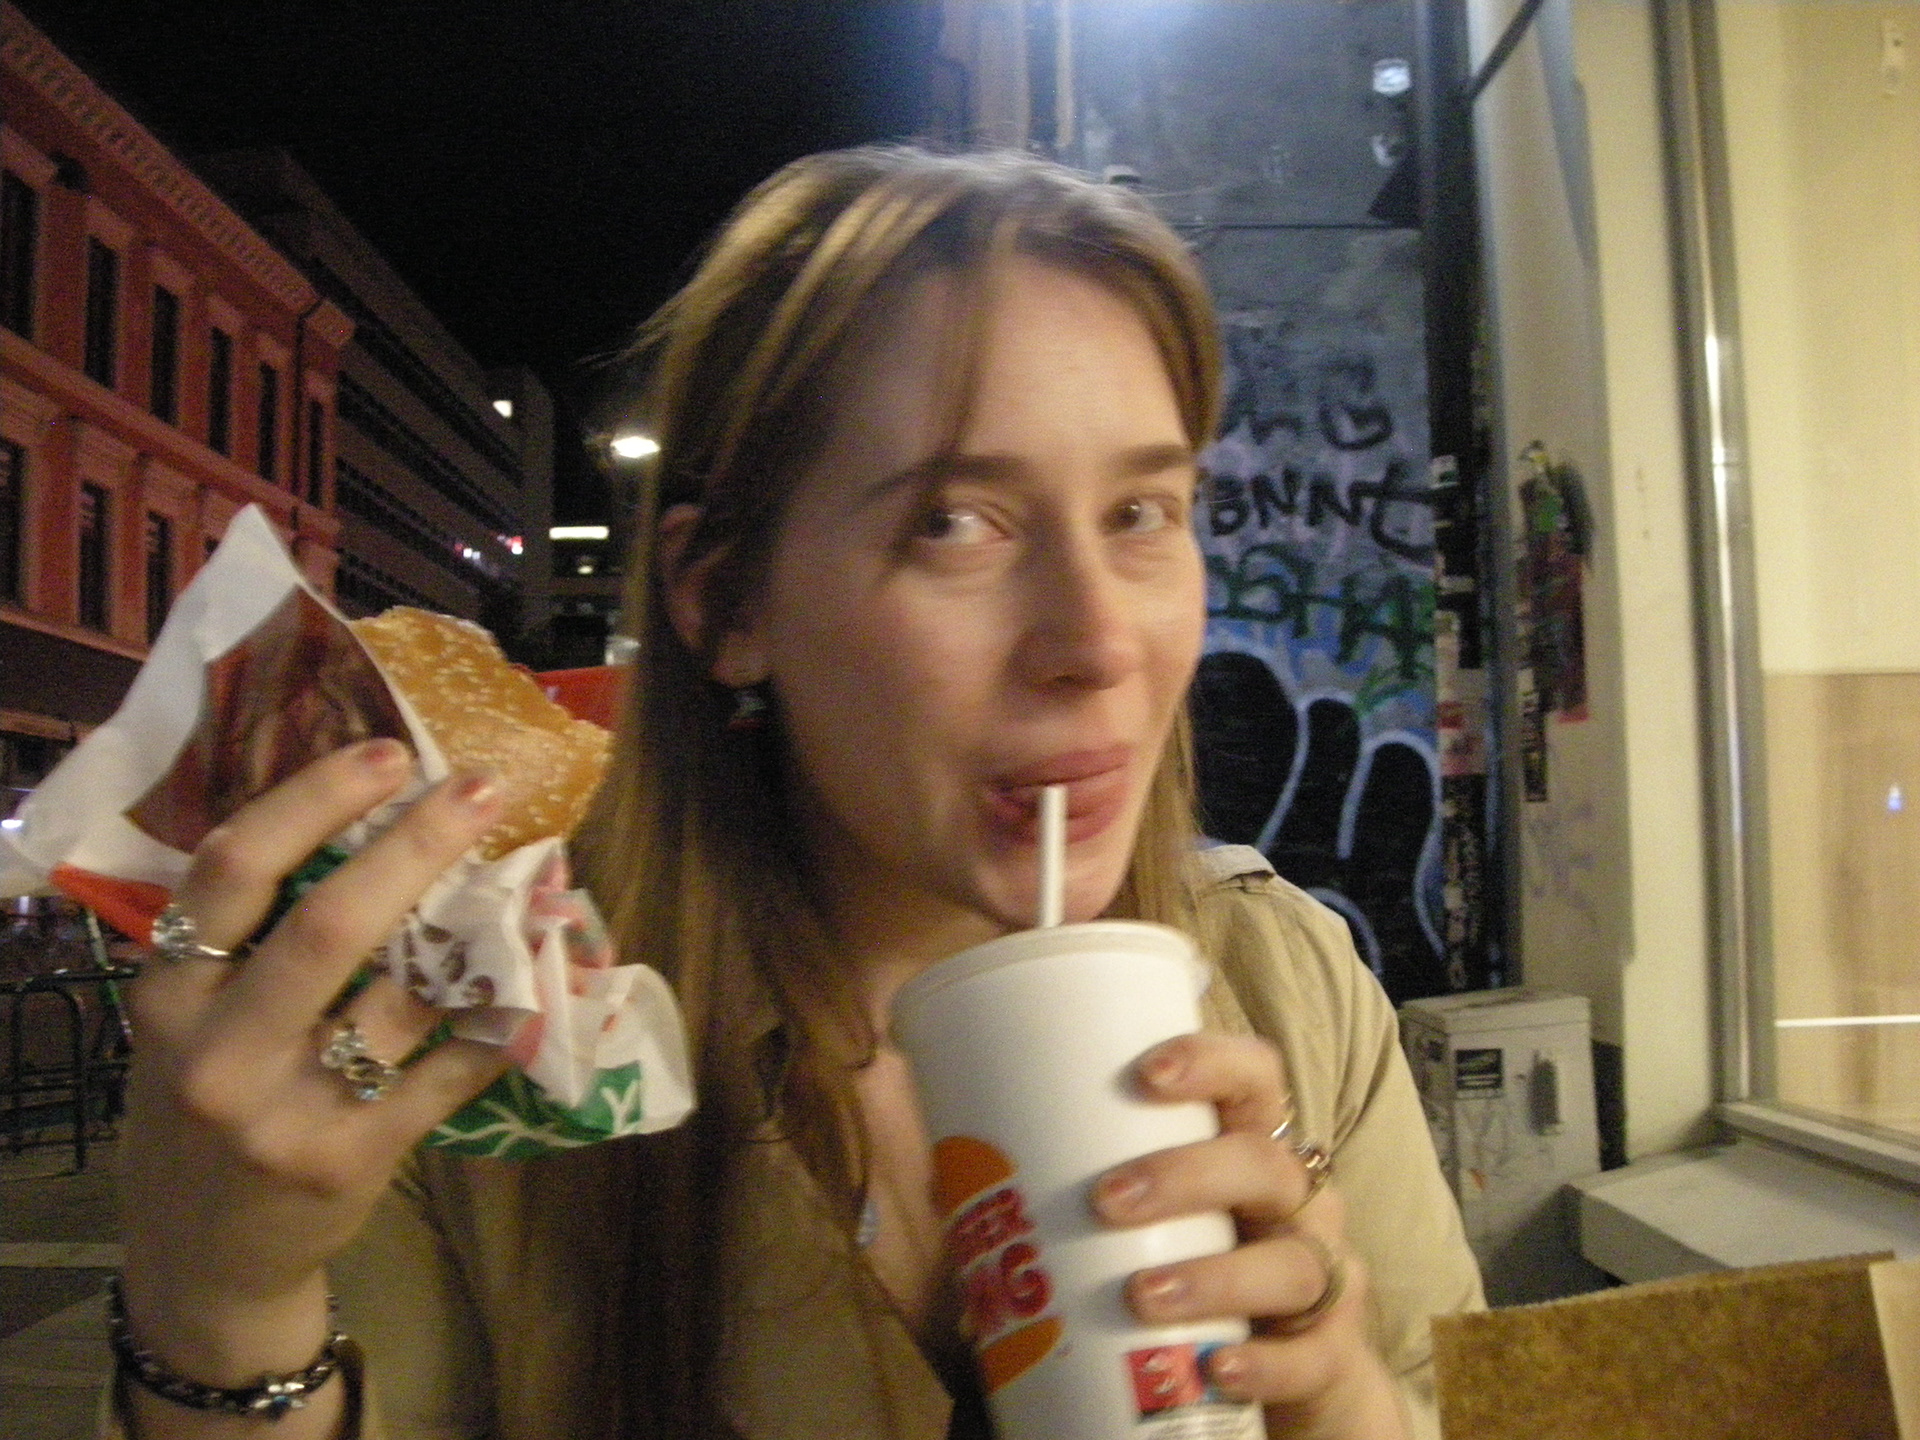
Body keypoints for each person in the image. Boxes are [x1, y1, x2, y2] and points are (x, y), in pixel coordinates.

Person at [108, 146, 1482, 1440]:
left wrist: (1332, 1389)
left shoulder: (1291, 987)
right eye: (954, 522)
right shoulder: (486, 1067)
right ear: (726, 600)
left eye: (1141, 513)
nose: (1100, 642)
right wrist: (222, 1303)